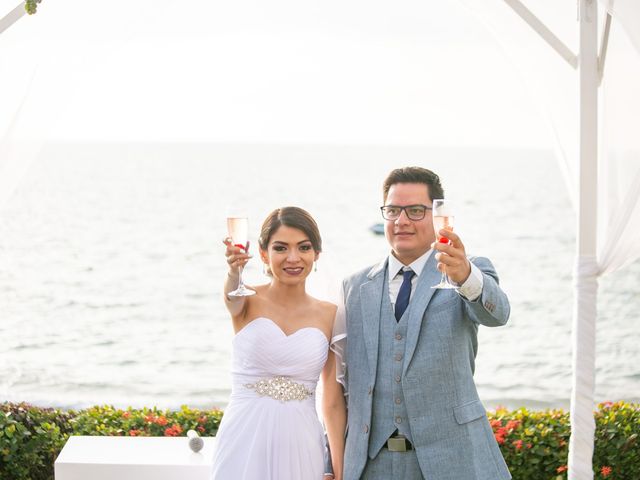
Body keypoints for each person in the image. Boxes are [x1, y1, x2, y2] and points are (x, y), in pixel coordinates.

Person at [334, 167, 511, 480]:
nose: (402, 221)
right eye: (392, 211)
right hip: (371, 466)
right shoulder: (354, 286)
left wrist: (465, 276)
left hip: (452, 460)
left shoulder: (467, 272)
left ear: (437, 214)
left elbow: (497, 314)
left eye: (415, 211)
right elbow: (340, 385)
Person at [211, 206, 346, 480]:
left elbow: (332, 402)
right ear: (263, 253)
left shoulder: (330, 314)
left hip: (302, 440)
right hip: (243, 437)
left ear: (316, 254)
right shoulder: (245, 300)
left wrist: (339, 470)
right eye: (281, 248)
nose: (293, 258)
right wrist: (233, 271)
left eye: (304, 247)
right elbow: (230, 295)